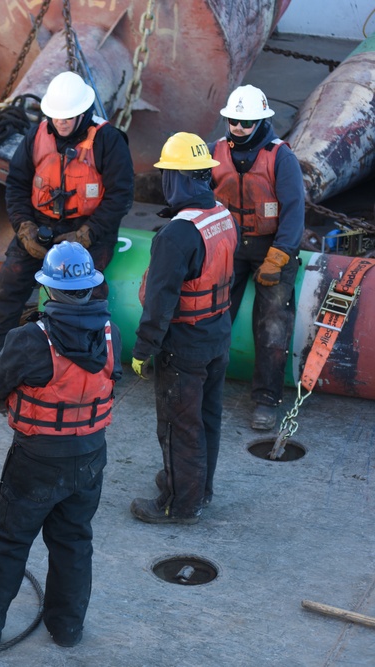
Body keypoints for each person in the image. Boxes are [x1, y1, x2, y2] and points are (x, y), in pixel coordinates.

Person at [0, 242, 120, 649]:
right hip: (89, 456)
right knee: (73, 541)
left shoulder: (30, 338)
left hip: (38, 457)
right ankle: (67, 629)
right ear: (89, 287)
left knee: (7, 538)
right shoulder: (111, 332)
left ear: (48, 289)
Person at [0, 71, 133, 388]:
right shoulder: (37, 136)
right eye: (56, 117)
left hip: (88, 230)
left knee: (87, 297)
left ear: (83, 112)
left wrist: (87, 234)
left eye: (68, 118)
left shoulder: (108, 140)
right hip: (40, 225)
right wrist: (24, 227)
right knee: (7, 289)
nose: (61, 123)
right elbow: (16, 186)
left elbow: (121, 197)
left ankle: (97, 367)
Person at [130, 133, 238, 525]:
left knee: (179, 426)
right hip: (218, 334)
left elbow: (160, 301)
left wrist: (143, 350)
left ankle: (179, 503)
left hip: (185, 344)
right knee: (207, 418)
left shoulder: (177, 235)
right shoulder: (223, 216)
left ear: (176, 179)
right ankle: (201, 489)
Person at [210, 85, 304, 430]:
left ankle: (266, 400)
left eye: (246, 123)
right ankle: (206, 387)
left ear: (261, 122)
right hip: (229, 246)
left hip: (271, 247)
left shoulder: (281, 158)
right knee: (212, 314)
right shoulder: (215, 153)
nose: (238, 128)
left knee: (274, 323)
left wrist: (278, 257)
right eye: (233, 121)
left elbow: (294, 211)